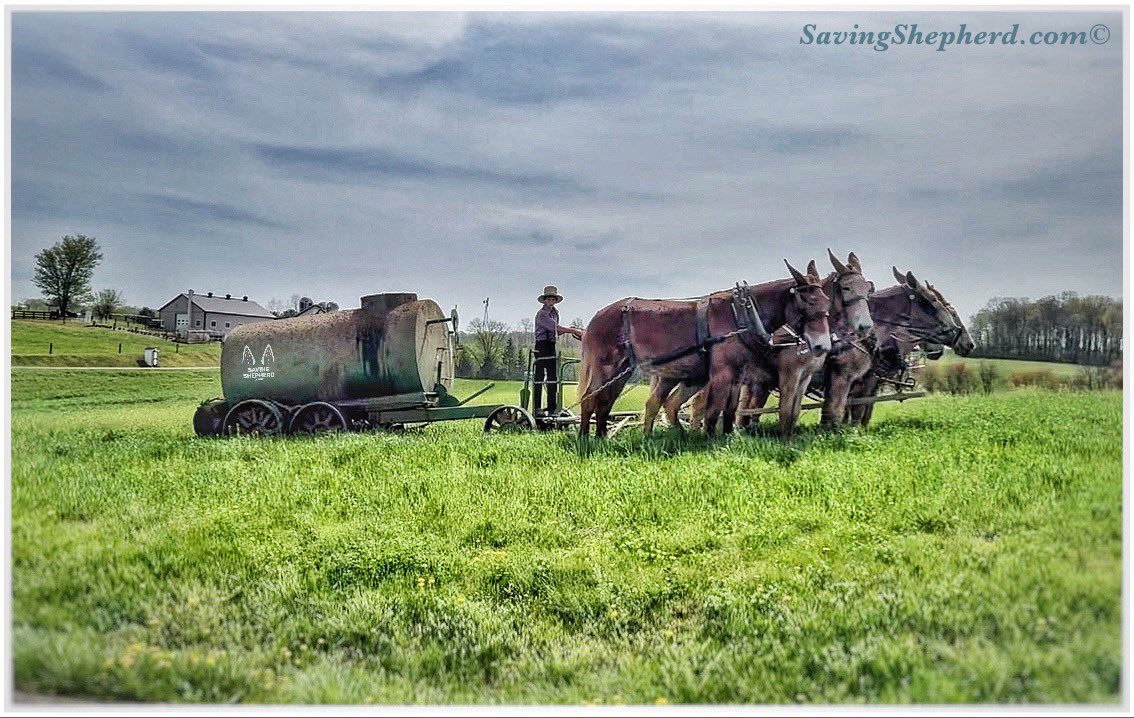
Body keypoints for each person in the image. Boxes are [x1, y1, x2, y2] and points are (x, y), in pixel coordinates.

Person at [533, 285, 584, 416]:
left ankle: (552, 408)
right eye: (548, 299)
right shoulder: (542, 314)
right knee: (539, 377)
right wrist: (573, 330)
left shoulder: (555, 313)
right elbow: (554, 327)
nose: (551, 302)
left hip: (551, 345)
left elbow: (556, 331)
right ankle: (537, 408)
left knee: (552, 377)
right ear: (544, 301)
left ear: (555, 301)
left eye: (553, 299)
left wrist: (569, 332)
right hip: (541, 345)